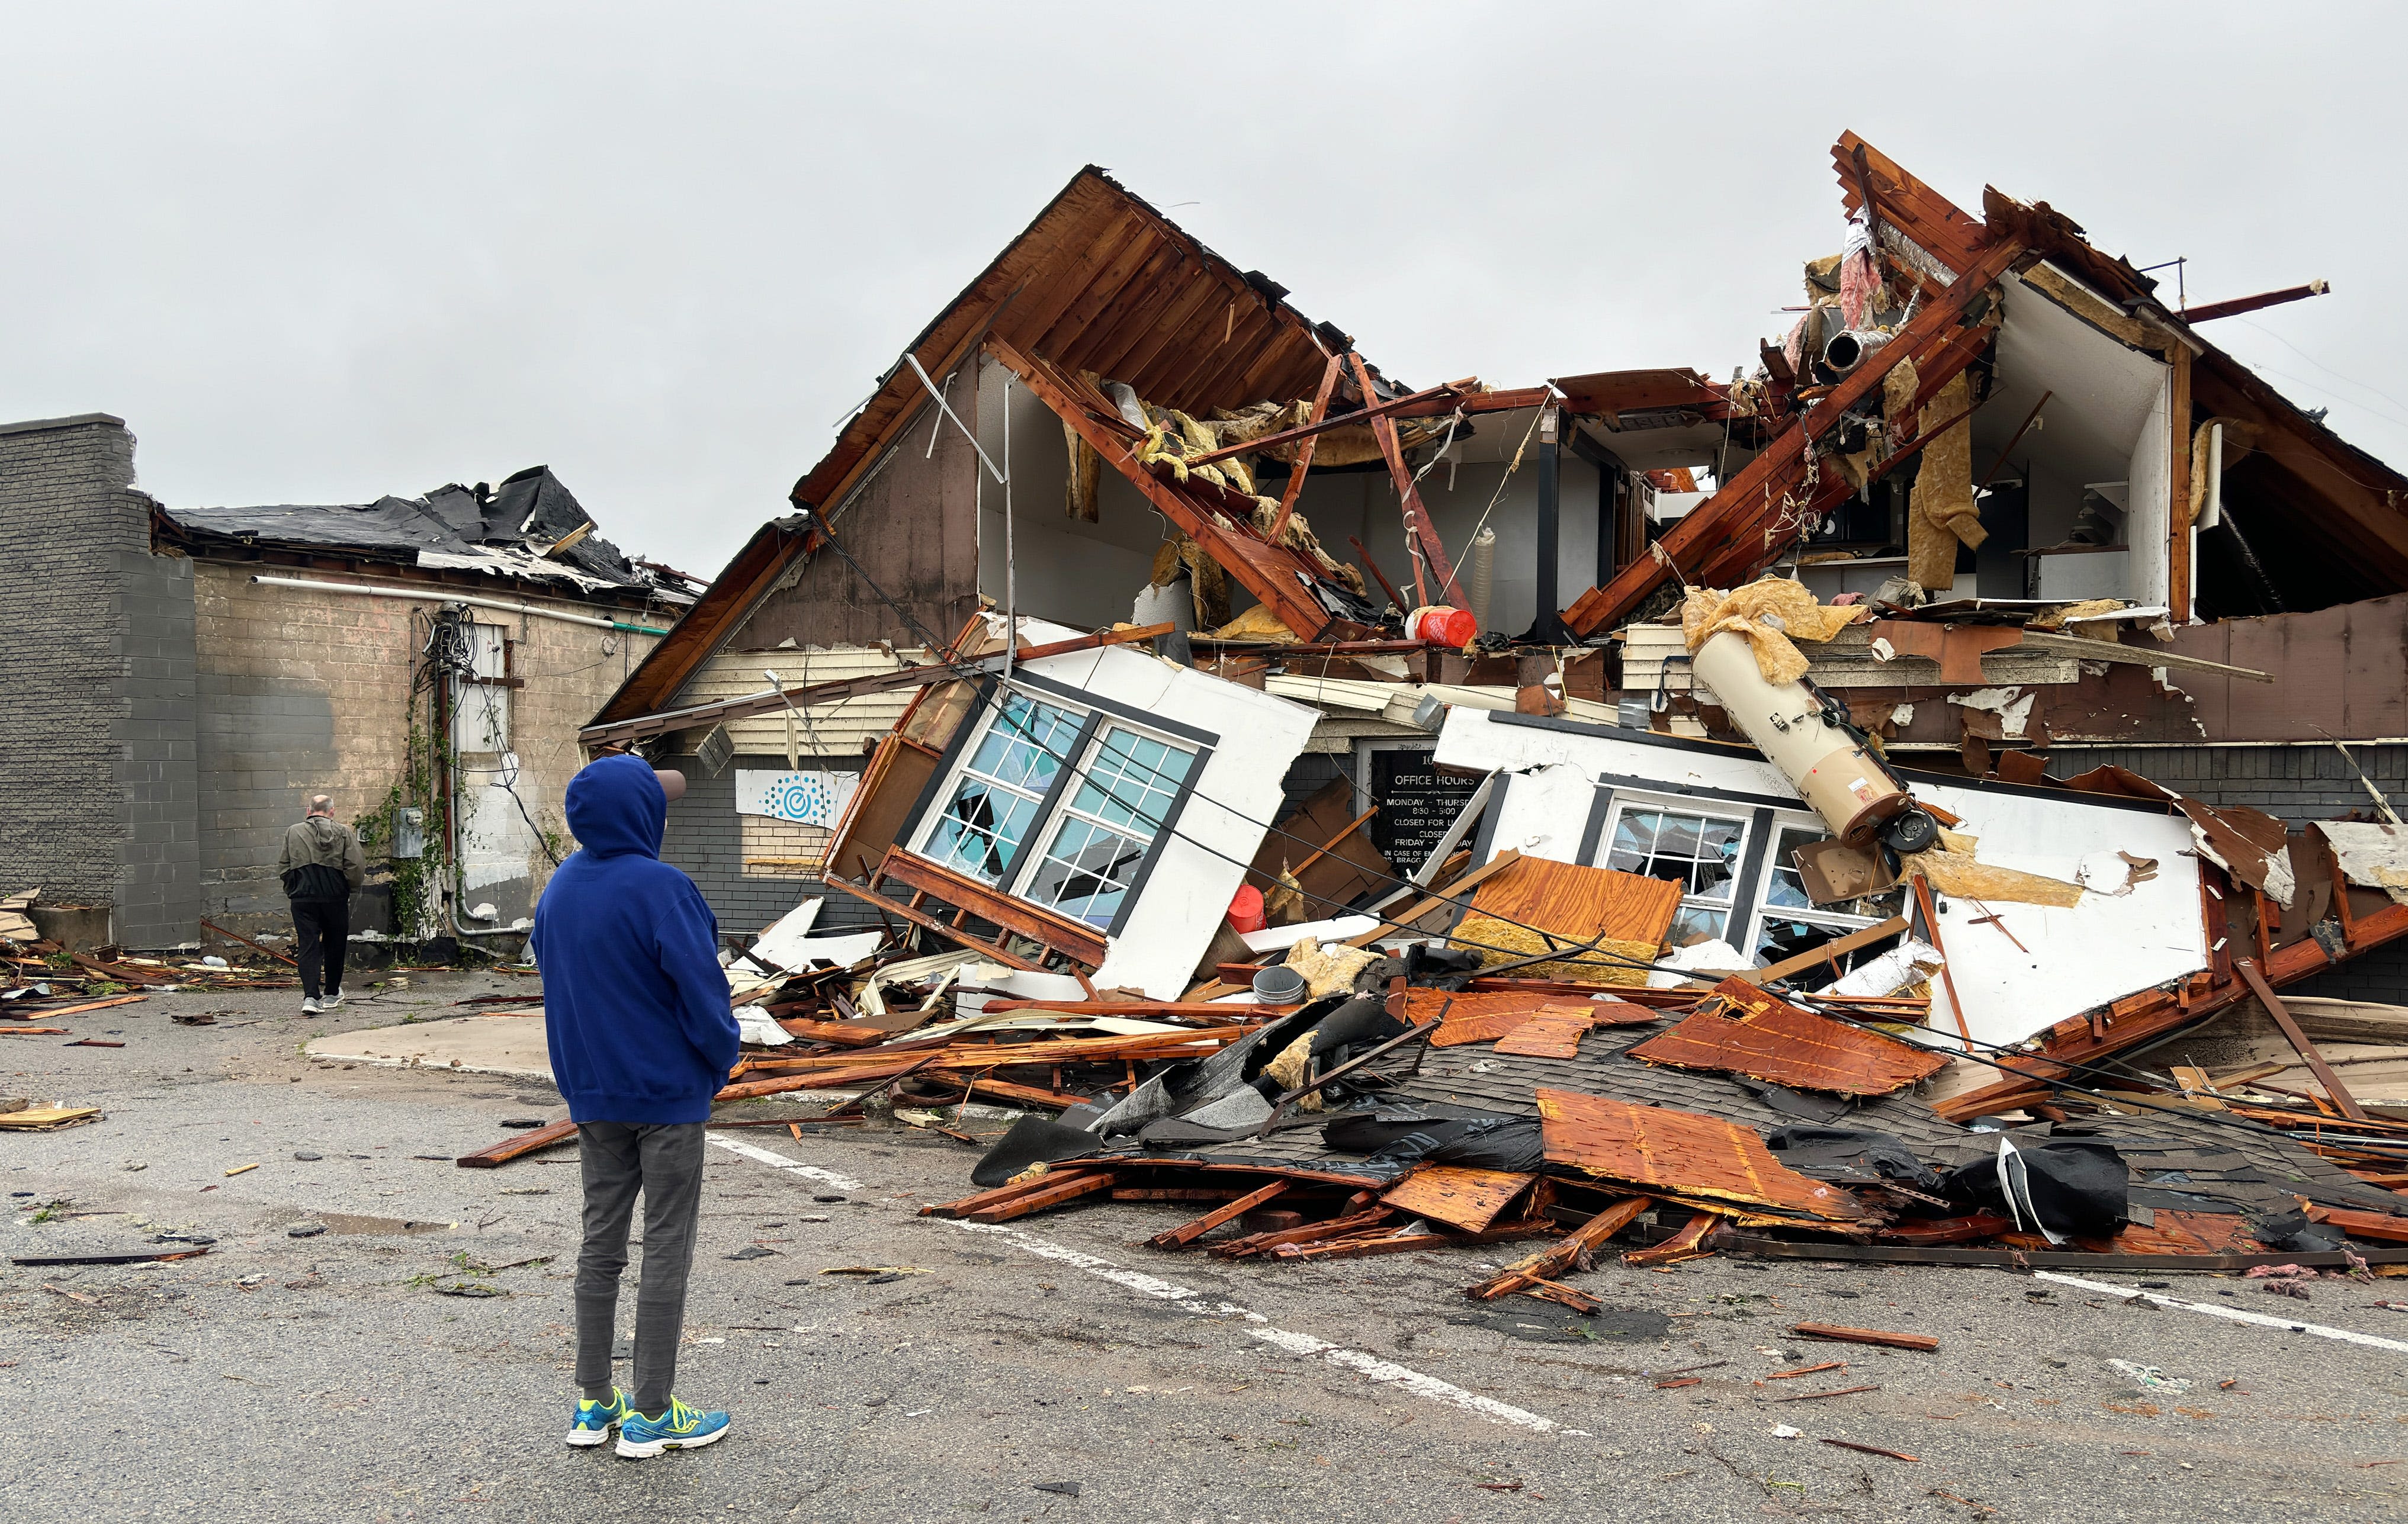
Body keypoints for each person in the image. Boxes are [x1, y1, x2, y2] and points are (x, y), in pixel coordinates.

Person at [530, 755, 740, 1460]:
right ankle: (652, 1413)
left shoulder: (559, 887)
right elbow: (704, 997)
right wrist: (718, 1064)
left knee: (601, 1245)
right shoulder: (663, 888)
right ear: (642, 814)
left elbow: (558, 986)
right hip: (668, 1097)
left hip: (594, 1096)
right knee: (666, 1248)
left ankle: (594, 1403)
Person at [278, 795, 365, 1015]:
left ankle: (310, 997)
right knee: (335, 944)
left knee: (308, 945)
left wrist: (293, 889)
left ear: (308, 811)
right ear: (332, 811)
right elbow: (356, 866)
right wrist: (348, 888)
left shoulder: (293, 832)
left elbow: (284, 867)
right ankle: (332, 994)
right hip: (334, 897)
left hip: (303, 899)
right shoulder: (344, 832)